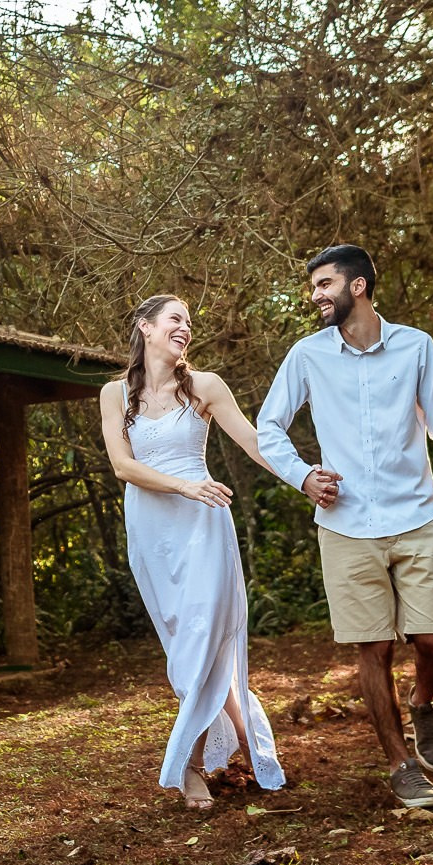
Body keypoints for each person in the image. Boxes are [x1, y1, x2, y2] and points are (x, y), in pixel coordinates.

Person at [256, 244, 433, 812]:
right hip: (344, 527)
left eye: (325, 284)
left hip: (415, 516)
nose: (315, 295)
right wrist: (304, 476)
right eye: (313, 286)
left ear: (357, 287)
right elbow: (269, 426)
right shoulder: (307, 356)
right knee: (373, 649)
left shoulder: (415, 346)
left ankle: (424, 701)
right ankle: (401, 765)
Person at [99, 294, 286, 810]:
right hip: (152, 532)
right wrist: (182, 486)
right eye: (175, 319)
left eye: (189, 322)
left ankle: (190, 767)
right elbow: (122, 466)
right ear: (146, 327)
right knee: (187, 651)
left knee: (204, 641)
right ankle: (252, 743)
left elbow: (255, 444)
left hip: (205, 527)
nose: (185, 328)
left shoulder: (205, 386)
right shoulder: (115, 395)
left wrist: (307, 477)